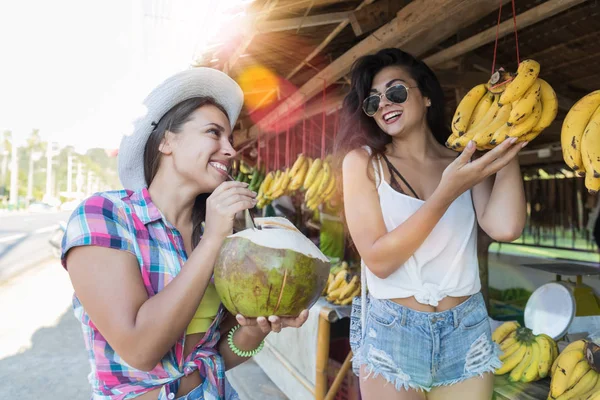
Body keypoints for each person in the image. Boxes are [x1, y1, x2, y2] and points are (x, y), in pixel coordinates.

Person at [61, 68, 309, 400]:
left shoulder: (217, 234)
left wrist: (253, 332)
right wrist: (213, 240)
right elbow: (140, 349)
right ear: (166, 140)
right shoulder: (105, 215)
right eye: (213, 133)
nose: (230, 150)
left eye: (230, 139)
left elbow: (214, 358)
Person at [334, 48, 526, 399]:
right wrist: (446, 192)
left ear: (424, 96)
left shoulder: (464, 161)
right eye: (373, 101)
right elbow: (379, 260)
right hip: (394, 330)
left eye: (395, 91)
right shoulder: (363, 163)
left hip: (466, 328)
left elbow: (505, 227)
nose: (384, 104)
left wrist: (508, 142)